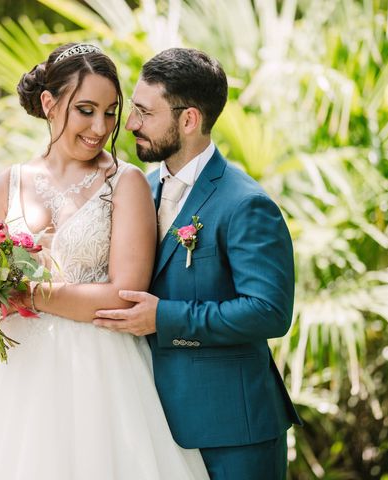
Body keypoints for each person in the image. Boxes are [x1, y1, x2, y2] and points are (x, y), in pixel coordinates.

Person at [0, 43, 209, 480]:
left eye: (109, 112)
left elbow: (123, 297)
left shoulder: (125, 184)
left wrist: (29, 294)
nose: (100, 127)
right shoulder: (5, 185)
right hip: (13, 381)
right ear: (49, 103)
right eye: (85, 109)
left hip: (102, 378)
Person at [92, 48, 302, 480]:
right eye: (133, 110)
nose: (130, 124)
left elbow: (269, 311)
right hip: (153, 426)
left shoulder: (246, 204)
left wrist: (164, 317)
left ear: (188, 120)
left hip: (233, 433)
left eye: (144, 113)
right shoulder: (140, 190)